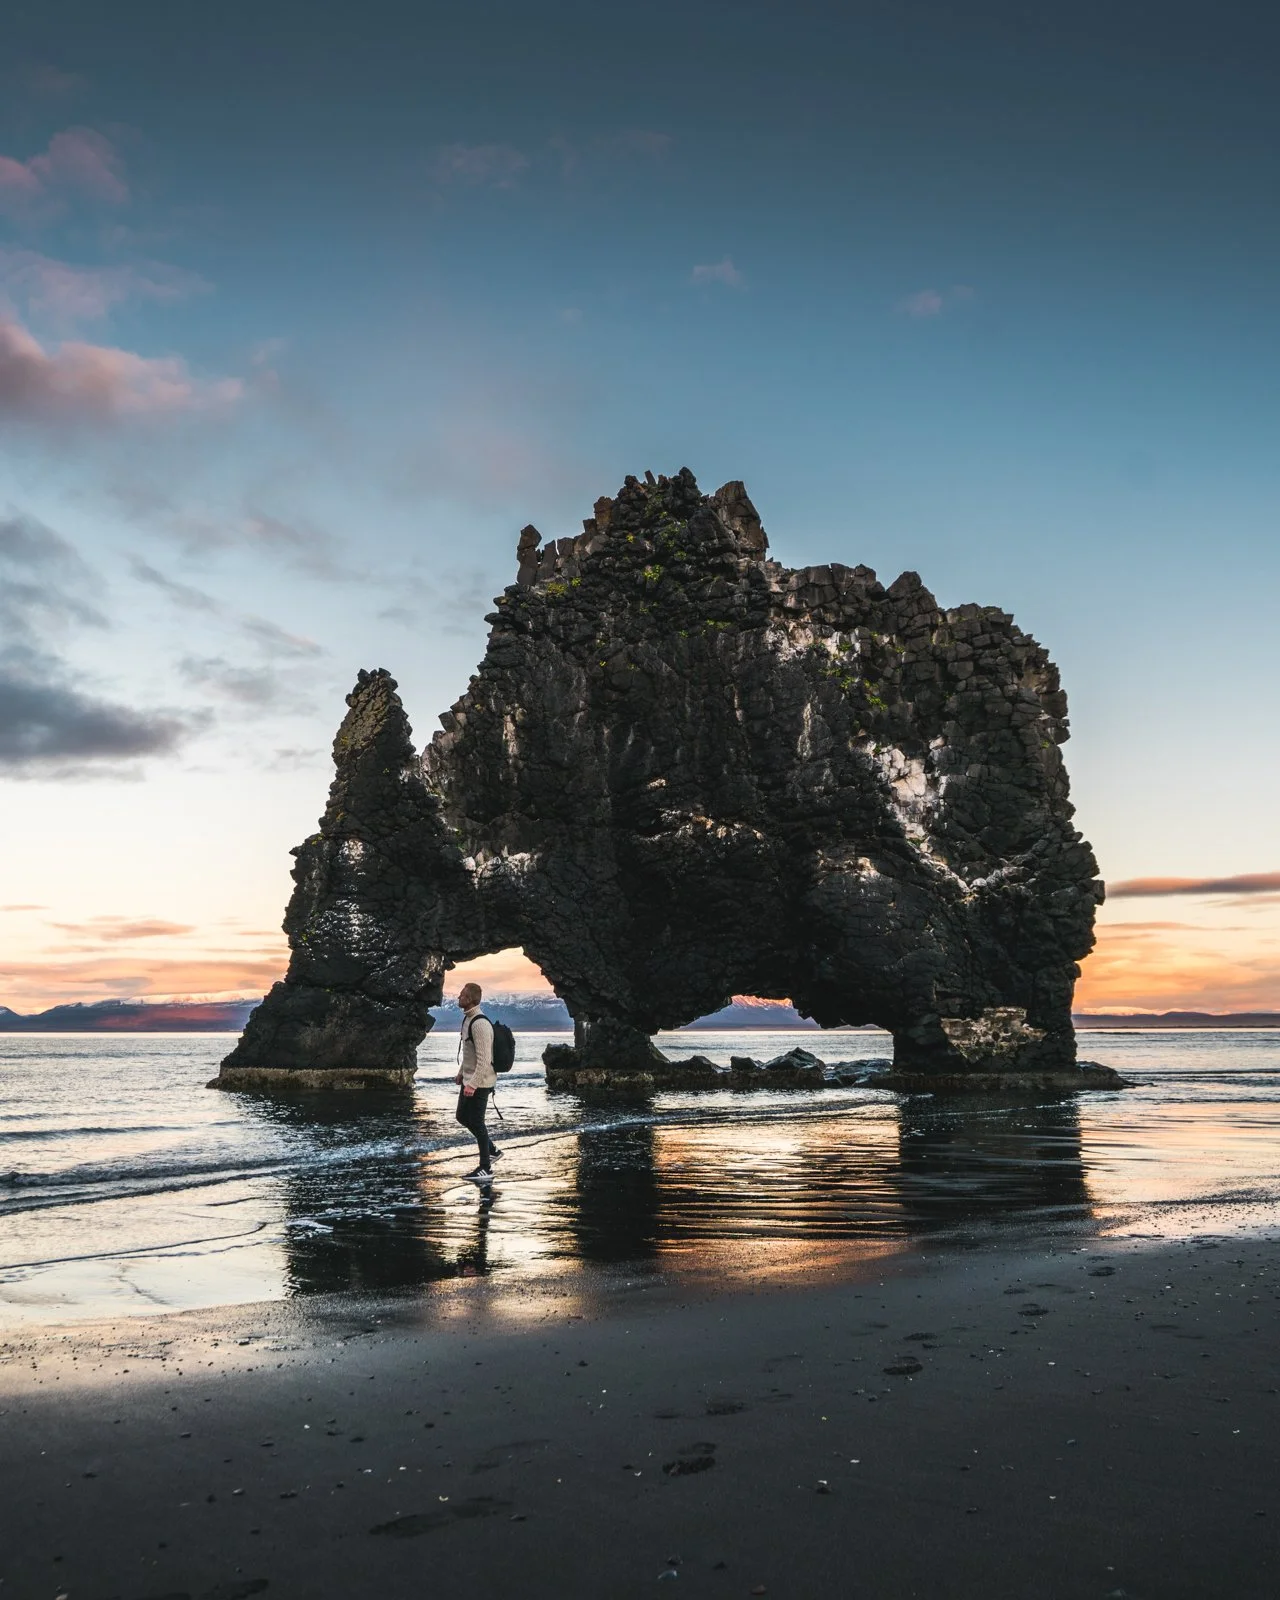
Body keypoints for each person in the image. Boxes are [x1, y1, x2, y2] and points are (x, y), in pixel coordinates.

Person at [455, 982, 502, 1183]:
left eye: (462, 995)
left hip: (481, 1083)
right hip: (470, 1080)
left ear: (471, 999)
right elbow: (469, 1055)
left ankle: (485, 1167)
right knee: (461, 1116)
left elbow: (484, 1060)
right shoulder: (467, 1020)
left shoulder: (480, 1024)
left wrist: (472, 1084)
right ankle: (492, 1150)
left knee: (477, 1122)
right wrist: (460, 1074)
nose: (458, 997)